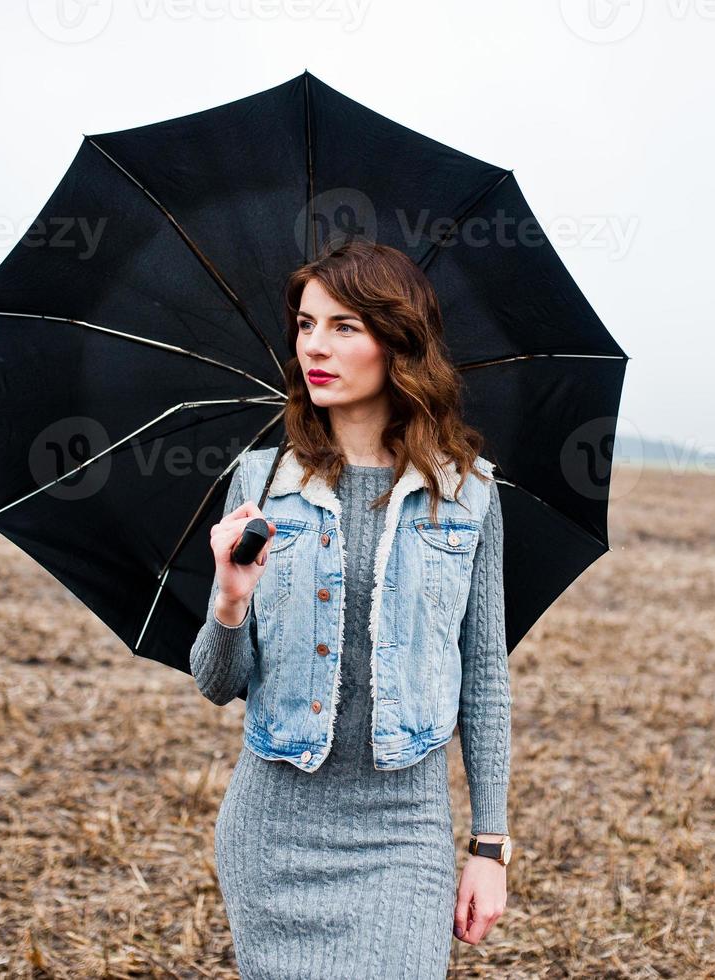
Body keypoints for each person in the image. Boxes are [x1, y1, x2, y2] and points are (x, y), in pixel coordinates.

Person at [188, 239, 513, 978]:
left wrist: (488, 848)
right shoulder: (261, 481)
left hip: (403, 831)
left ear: (396, 341)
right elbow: (215, 681)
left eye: (343, 327)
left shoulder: (466, 492)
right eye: (304, 325)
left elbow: (485, 675)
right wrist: (231, 600)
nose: (314, 347)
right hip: (273, 829)